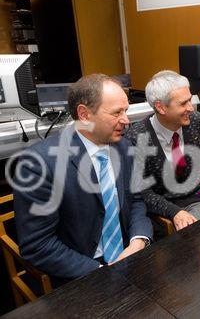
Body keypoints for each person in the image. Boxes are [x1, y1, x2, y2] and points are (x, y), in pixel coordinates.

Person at [12, 74, 153, 284]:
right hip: (82, 271)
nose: (126, 120)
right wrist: (100, 270)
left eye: (126, 110)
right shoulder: (37, 165)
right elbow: (38, 245)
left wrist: (138, 240)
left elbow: (137, 201)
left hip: (130, 255)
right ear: (84, 114)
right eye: (117, 112)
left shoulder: (124, 146)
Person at [125, 70, 200, 231]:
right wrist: (174, 212)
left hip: (194, 200)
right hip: (157, 208)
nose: (191, 108)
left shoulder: (196, 120)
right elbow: (142, 192)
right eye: (183, 103)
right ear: (160, 107)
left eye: (190, 100)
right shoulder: (136, 137)